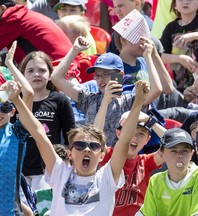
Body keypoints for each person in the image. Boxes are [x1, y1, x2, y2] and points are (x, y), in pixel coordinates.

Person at [11, 75, 150, 215]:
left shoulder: (107, 177)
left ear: (102, 156)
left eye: (94, 146)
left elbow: (125, 140)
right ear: (70, 154)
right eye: (80, 145)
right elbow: (38, 132)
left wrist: (138, 101)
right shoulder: (60, 172)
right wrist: (17, 99)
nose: (87, 149)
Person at [51, 36, 159, 147]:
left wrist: (148, 57)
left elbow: (157, 90)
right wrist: (75, 50)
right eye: (97, 75)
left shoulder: (130, 100)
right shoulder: (89, 99)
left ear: (120, 75)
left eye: (106, 74)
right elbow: (56, 78)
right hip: (94, 157)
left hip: (120, 159)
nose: (101, 80)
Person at [94, 82, 166, 215]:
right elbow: (94, 138)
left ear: (147, 140)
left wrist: (150, 121)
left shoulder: (147, 162)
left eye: (140, 134)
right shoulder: (108, 155)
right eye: (130, 132)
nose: (134, 138)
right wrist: (105, 103)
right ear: (118, 133)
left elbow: (173, 143)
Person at [17, 49, 76, 191]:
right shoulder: (16, 100)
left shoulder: (59, 99)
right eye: (30, 71)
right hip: (19, 170)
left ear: (50, 75)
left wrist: (69, 164)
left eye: (42, 70)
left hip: (48, 171)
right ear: (22, 75)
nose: (36, 74)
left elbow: (71, 135)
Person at [136, 127, 198, 215]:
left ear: (191, 153)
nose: (180, 155)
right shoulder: (155, 180)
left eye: (185, 151)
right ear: (161, 154)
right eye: (173, 150)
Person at [0, 0, 72, 65]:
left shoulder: (13, 19)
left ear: (2, 9)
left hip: (60, 68)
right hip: (63, 65)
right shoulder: (21, 14)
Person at [0, 81, 31, 215]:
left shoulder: (17, 132)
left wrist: (9, 63)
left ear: (12, 111)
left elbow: (29, 94)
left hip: (9, 211)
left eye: (4, 107)